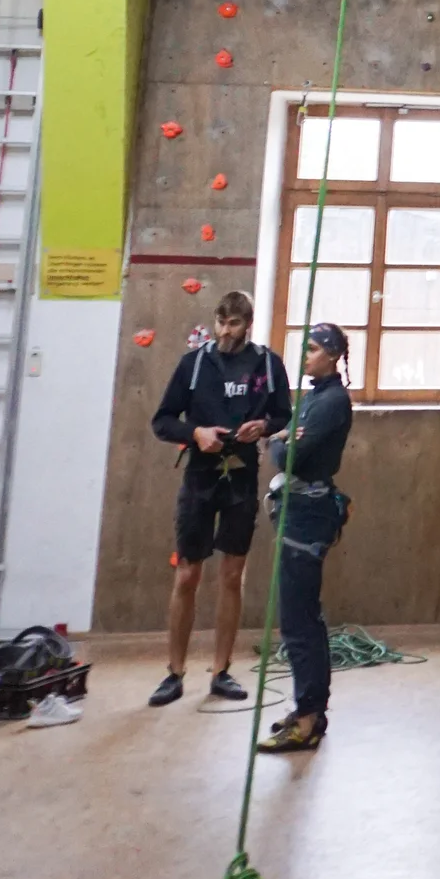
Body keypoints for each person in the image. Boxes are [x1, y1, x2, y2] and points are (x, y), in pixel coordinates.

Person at [148, 288, 292, 708]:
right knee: (187, 576)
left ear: (248, 324)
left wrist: (262, 427)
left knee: (232, 577)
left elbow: (284, 414)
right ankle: (174, 672)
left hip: (242, 480)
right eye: (221, 322)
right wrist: (195, 433)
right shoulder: (193, 365)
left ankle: (221, 671)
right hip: (199, 477)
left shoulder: (267, 364)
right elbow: (162, 421)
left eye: (234, 324)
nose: (226, 331)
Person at [256, 320, 355, 755]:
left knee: (299, 623)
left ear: (332, 355)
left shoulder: (331, 402)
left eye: (313, 349)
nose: (306, 355)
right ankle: (308, 709)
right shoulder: (315, 397)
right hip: (300, 514)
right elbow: (286, 443)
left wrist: (278, 440)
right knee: (299, 619)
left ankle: (310, 714)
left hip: (307, 517)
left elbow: (289, 455)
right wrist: (281, 437)